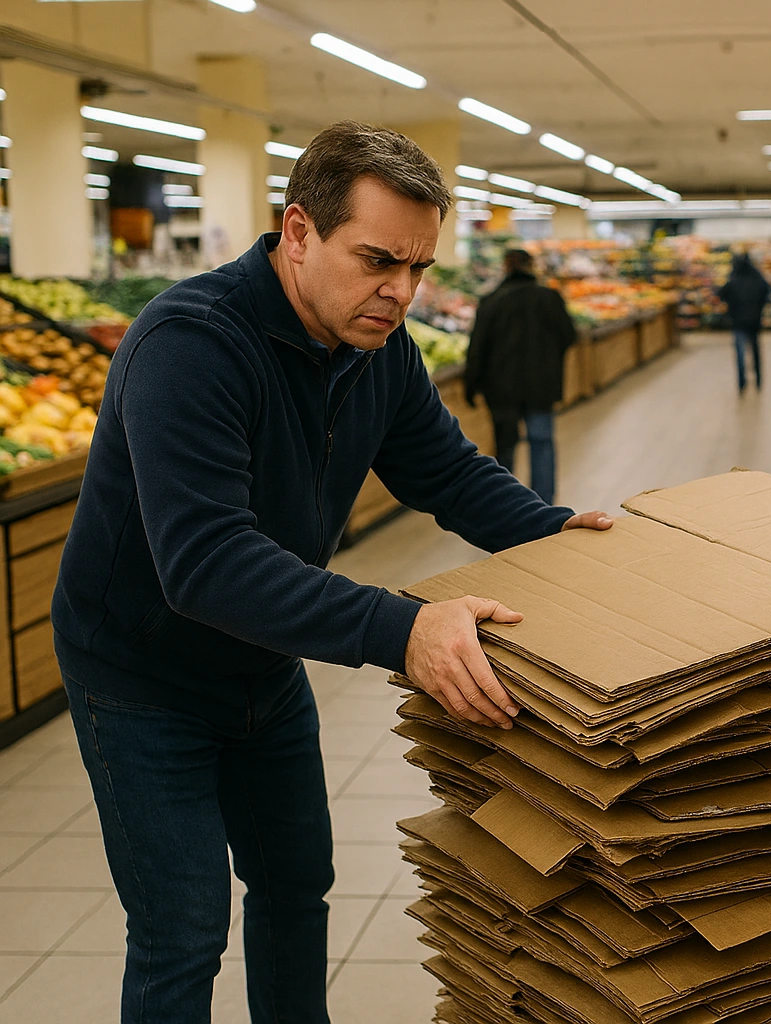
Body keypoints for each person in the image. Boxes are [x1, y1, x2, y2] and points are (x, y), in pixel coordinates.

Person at [50, 120, 613, 1024]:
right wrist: (402, 628)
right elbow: (206, 562)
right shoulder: (191, 345)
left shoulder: (377, 348)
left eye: (419, 269)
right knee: (183, 927)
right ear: (300, 232)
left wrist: (558, 535)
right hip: (141, 675)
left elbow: (448, 473)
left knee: (296, 884)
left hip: (260, 664)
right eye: (379, 260)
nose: (401, 293)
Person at [463, 248, 577, 504]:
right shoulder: (549, 298)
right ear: (531, 265)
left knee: (505, 447)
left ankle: (509, 503)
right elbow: (569, 335)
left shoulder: (491, 301)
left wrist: (471, 385)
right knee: (542, 441)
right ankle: (544, 504)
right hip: (542, 385)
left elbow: (477, 348)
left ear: (505, 267)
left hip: (500, 388)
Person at [717, 251, 771, 392]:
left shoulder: (734, 279)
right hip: (754, 321)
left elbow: (721, 294)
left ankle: (742, 383)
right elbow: (768, 293)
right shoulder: (757, 277)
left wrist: (730, 306)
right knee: (755, 351)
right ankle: (758, 380)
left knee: (740, 353)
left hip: (738, 322)